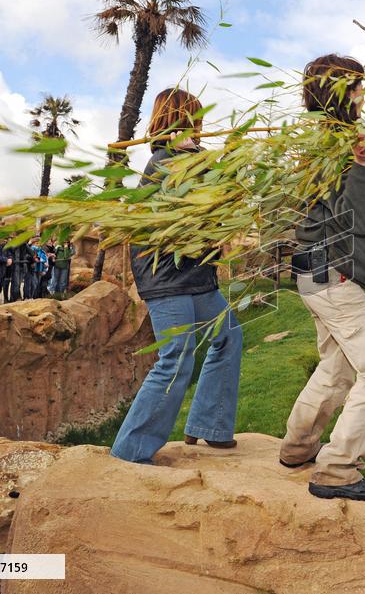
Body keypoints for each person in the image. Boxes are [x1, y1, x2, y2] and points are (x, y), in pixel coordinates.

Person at [278, 54, 365, 501]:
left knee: (337, 367)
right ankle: (337, 469)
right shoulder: (327, 146)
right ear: (339, 92)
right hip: (332, 274)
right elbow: (355, 218)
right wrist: (361, 166)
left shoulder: (346, 137)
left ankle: (298, 447)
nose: (363, 94)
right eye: (357, 87)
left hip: (318, 273)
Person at [110, 87, 243, 465]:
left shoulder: (192, 158)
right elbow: (207, 191)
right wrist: (229, 159)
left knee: (229, 336)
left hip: (196, 277)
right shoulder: (165, 162)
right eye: (194, 119)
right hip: (167, 279)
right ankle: (130, 451)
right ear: (178, 121)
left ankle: (210, 425)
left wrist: (230, 159)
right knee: (176, 359)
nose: (200, 126)